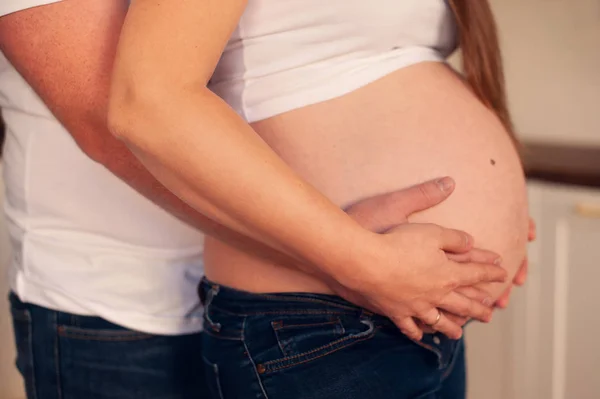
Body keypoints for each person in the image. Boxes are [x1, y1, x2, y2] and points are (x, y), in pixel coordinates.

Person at [0, 1, 523, 398]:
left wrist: (493, 207)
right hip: (127, 304)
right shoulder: (346, 263)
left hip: (368, 295)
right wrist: (349, 256)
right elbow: (119, 116)